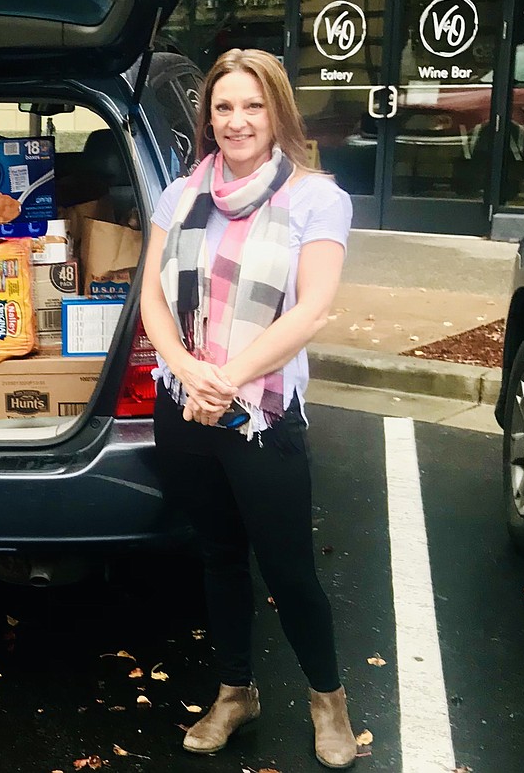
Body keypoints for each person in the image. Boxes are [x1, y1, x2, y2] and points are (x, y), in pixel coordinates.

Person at [139, 48, 358, 769]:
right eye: (223, 107)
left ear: (278, 112)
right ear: (208, 117)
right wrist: (184, 370)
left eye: (253, 105)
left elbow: (315, 309)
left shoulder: (315, 198)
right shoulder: (180, 192)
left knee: (290, 569)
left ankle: (328, 701)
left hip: (259, 412)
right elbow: (152, 298)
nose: (237, 121)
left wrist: (225, 377)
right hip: (185, 407)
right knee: (218, 556)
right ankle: (236, 693)